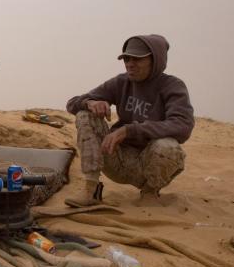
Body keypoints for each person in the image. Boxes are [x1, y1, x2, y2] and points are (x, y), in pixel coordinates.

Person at [64, 34, 194, 206]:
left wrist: (129, 130)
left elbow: (182, 125)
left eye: (137, 59)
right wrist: (91, 103)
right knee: (84, 114)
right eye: (126, 58)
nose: (130, 64)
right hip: (116, 157)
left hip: (150, 164)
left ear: (155, 60)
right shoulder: (121, 82)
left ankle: (149, 193)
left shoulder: (172, 86)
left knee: (168, 146)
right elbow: (72, 103)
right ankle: (90, 189)